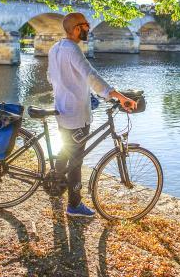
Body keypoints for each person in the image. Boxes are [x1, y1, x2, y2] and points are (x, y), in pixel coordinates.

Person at [47, 12, 137, 217]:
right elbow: (91, 76)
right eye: (86, 25)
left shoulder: (55, 48)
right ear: (77, 28)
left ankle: (55, 183)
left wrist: (74, 90)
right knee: (76, 160)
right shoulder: (73, 50)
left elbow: (51, 77)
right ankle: (74, 205)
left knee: (66, 151)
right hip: (76, 114)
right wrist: (117, 96)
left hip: (61, 109)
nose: (89, 28)